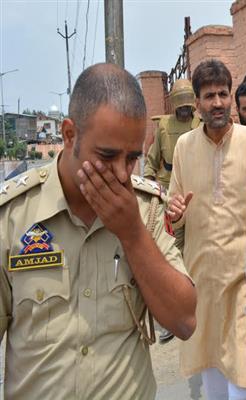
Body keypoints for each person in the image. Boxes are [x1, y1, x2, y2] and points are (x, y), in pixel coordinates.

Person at [0, 63, 197, 398]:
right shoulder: (14, 216)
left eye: (131, 158)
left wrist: (132, 233)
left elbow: (184, 320)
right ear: (69, 135)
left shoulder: (146, 210)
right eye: (107, 156)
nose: (121, 174)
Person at [167, 59, 246, 400]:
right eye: (209, 96)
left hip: (245, 285)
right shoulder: (184, 147)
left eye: (223, 94)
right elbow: (173, 214)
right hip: (203, 287)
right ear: (197, 103)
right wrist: (175, 212)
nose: (218, 103)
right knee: (215, 389)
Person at [144, 79, 200, 189]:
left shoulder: (200, 125)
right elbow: (152, 161)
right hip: (167, 183)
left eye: (186, 102)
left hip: (194, 183)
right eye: (180, 102)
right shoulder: (164, 125)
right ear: (175, 103)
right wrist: (147, 186)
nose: (184, 106)